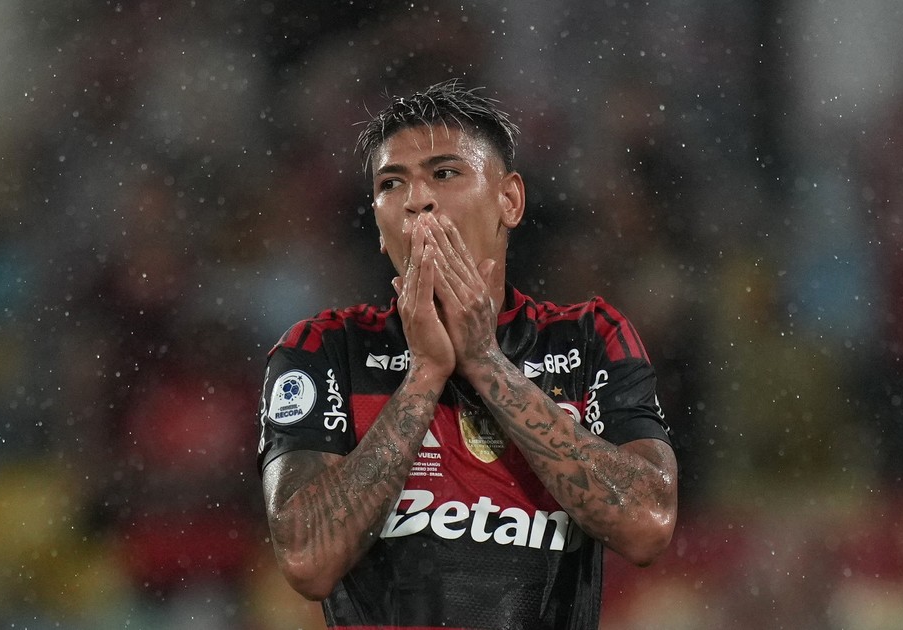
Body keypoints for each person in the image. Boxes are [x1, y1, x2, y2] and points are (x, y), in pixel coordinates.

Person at [257, 79, 678, 629]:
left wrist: (485, 361)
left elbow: (647, 525)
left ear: (510, 200)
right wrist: (424, 376)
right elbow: (306, 560)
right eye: (391, 183)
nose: (417, 199)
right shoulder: (323, 350)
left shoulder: (590, 338)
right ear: (380, 227)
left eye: (445, 173)